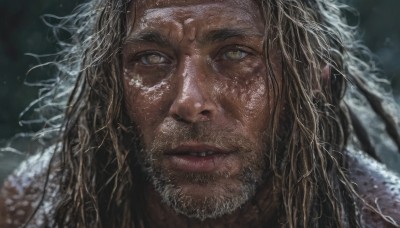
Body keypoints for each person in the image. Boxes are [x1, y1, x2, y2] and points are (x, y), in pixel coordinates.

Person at [1, 0, 400, 227]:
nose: (189, 102)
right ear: (111, 85)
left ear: (314, 79)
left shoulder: (380, 218)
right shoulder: (35, 208)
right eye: (152, 58)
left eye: (236, 54)